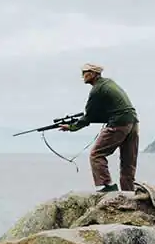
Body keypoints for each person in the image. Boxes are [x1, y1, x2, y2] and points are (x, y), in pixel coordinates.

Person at [60, 63, 140, 192]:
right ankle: (129, 193)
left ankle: (107, 186)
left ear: (92, 74)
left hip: (119, 123)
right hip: (133, 122)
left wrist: (72, 127)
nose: (82, 76)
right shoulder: (108, 83)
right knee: (128, 161)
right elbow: (111, 111)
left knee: (96, 154)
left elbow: (89, 115)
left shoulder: (97, 90)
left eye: (84, 72)